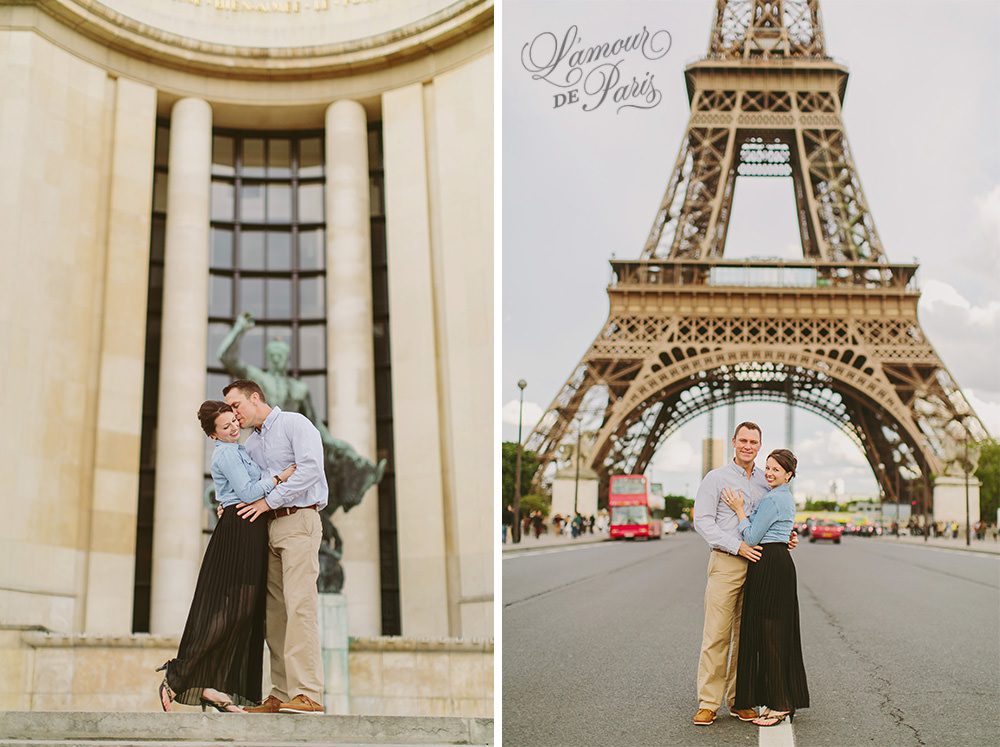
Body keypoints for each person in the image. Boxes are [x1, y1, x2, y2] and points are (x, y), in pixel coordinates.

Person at [157, 401, 296, 713]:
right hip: (239, 530)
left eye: (233, 421)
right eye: (225, 426)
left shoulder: (241, 449)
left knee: (245, 611)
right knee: (233, 608)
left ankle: (212, 687)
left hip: (250, 528)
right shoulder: (226, 452)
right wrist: (280, 477)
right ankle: (178, 675)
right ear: (213, 435)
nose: (233, 427)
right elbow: (247, 494)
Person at [223, 379, 328, 715]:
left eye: (236, 406)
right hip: (267, 530)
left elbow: (310, 469)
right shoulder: (251, 446)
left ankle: (308, 693)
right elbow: (249, 488)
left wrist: (270, 502)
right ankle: (281, 693)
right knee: (275, 616)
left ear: (255, 398)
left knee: (300, 606)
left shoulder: (295, 424)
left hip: (299, 520)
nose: (234, 416)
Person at [691, 422, 797, 727]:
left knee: (747, 637)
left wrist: (784, 536)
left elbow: (772, 519)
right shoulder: (716, 479)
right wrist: (736, 546)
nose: (748, 446)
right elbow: (703, 521)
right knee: (717, 633)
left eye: (754, 442)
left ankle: (739, 699)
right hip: (728, 561)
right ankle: (709, 702)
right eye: (743, 440)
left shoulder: (768, 480)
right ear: (734, 442)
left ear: (759, 446)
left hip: (759, 565)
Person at [722, 449, 810, 726]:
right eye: (768, 468)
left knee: (770, 634)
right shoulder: (782, 497)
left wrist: (738, 510)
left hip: (769, 563)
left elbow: (751, 536)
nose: (769, 473)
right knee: (776, 634)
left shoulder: (774, 499)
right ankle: (781, 699)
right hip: (776, 561)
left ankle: (779, 704)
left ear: (789, 475)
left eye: (776, 470)